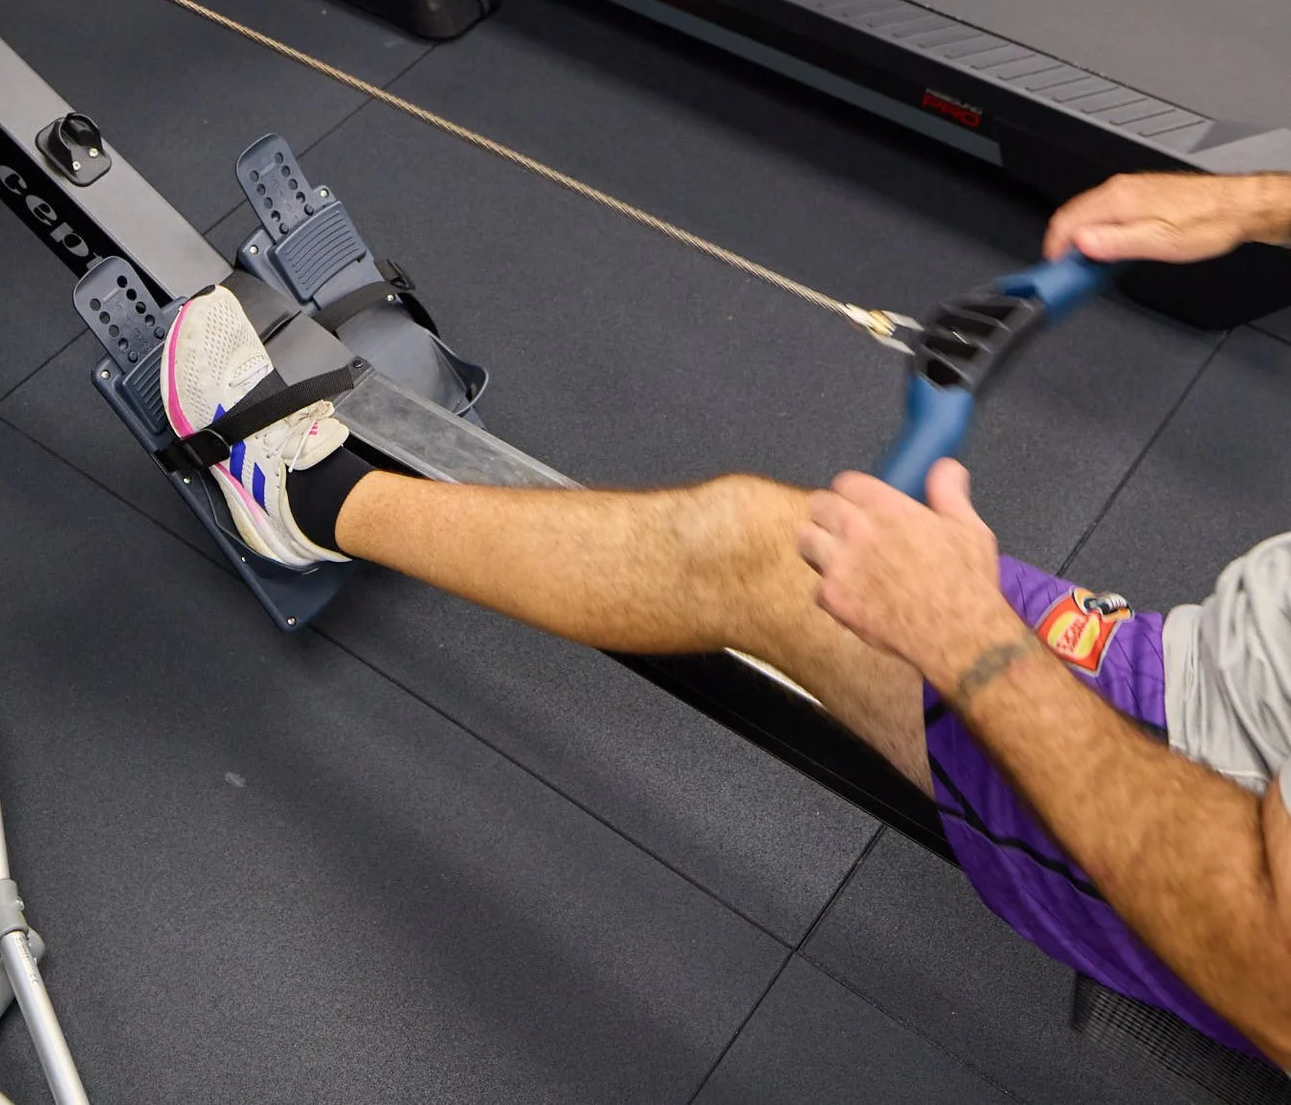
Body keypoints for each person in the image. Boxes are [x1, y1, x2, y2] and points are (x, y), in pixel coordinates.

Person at [161, 169, 1291, 1065]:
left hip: (1195, 821)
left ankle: (301, 499)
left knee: (752, 548)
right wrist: (1255, 203)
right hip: (1198, 673)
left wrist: (970, 641)